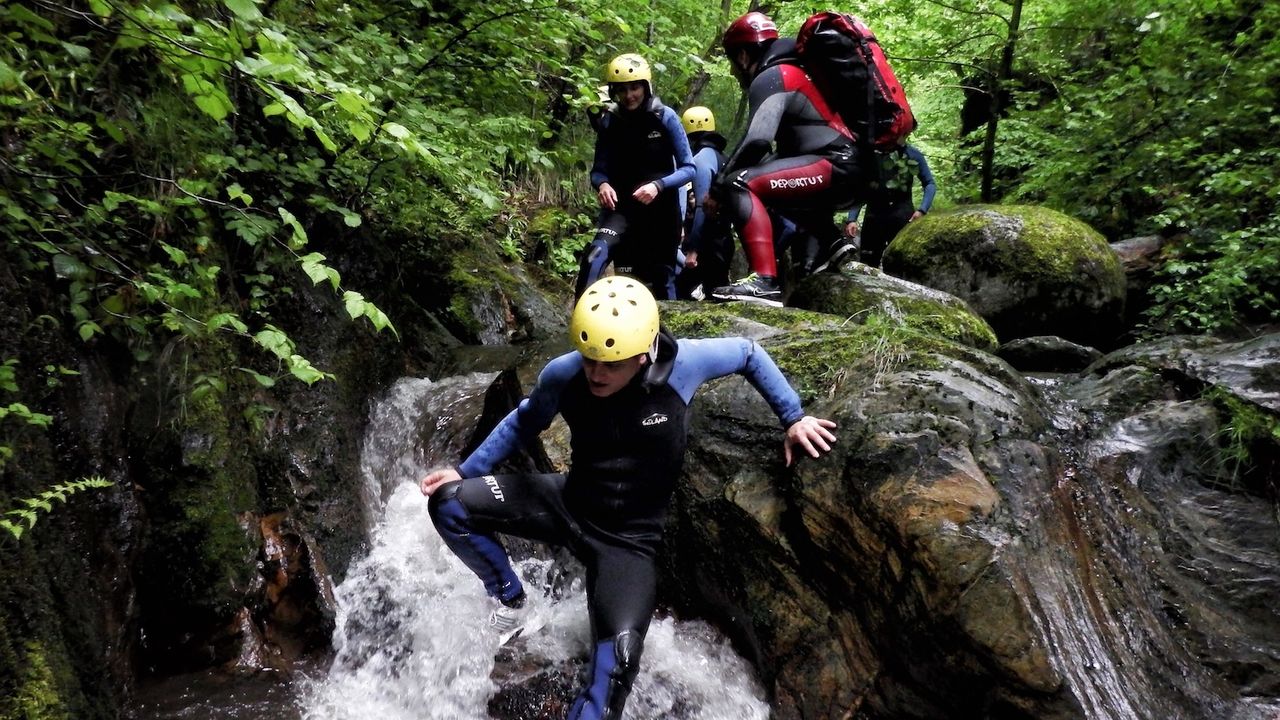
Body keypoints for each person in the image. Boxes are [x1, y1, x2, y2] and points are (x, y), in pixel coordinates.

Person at [420, 276, 838, 720]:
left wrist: (793, 417)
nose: (596, 373)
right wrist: (466, 471)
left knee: (615, 672)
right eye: (590, 359)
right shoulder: (564, 374)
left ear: (642, 355)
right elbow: (525, 421)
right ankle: (512, 602)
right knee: (448, 501)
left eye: (611, 364)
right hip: (566, 504)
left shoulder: (686, 366)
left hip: (627, 543)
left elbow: (748, 353)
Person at [705, 11, 862, 307]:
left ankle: (764, 281)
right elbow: (773, 153)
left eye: (731, 62)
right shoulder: (797, 71)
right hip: (849, 167)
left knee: (740, 183)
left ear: (741, 55)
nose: (733, 71)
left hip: (835, 164)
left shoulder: (773, 77)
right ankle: (834, 244)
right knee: (770, 181)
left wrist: (718, 186)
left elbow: (757, 141)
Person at [577, 54, 696, 301]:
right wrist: (603, 184)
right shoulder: (610, 121)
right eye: (622, 90)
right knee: (594, 258)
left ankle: (666, 340)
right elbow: (599, 170)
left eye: (634, 87)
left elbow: (688, 168)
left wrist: (658, 185)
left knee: (660, 283)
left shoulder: (665, 117)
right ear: (613, 91)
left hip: (661, 215)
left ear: (645, 86)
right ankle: (579, 330)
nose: (629, 95)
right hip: (622, 211)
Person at [674, 106, 735, 300]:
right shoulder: (723, 158)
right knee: (717, 293)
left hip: (709, 244)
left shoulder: (701, 160)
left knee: (680, 290)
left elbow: (702, 206)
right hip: (723, 238)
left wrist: (693, 250)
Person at [844, 141, 936, 267]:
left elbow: (929, 183)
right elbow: (861, 187)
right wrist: (851, 219)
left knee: (902, 263)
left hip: (902, 214)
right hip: (874, 215)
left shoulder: (912, 154)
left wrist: (922, 210)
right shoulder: (871, 154)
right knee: (867, 263)